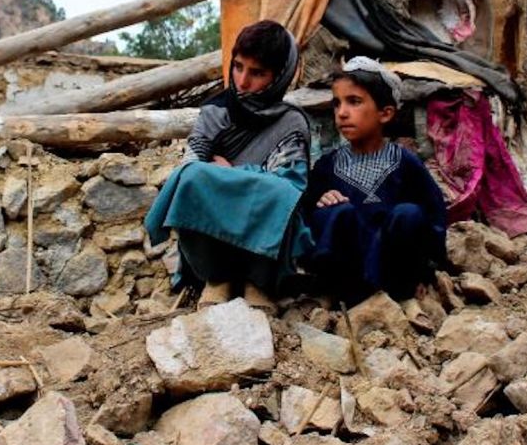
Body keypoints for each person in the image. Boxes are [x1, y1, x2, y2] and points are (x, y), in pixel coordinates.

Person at [144, 20, 311, 312]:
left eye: (257, 73)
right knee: (193, 178)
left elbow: (290, 187)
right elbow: (192, 167)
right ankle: (216, 279)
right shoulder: (215, 112)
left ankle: (257, 283)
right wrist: (240, 178)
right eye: (238, 67)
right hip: (214, 242)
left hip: (263, 249)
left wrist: (231, 173)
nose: (242, 81)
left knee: (278, 194)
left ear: (281, 75)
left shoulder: (291, 123)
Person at [302, 57, 448, 306]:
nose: (342, 113)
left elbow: (433, 216)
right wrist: (322, 203)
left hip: (392, 268)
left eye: (354, 102)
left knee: (409, 214)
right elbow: (305, 215)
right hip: (347, 271)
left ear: (385, 113)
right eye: (337, 104)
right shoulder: (328, 165)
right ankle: (340, 292)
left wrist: (426, 268)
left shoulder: (404, 161)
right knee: (337, 212)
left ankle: (403, 289)